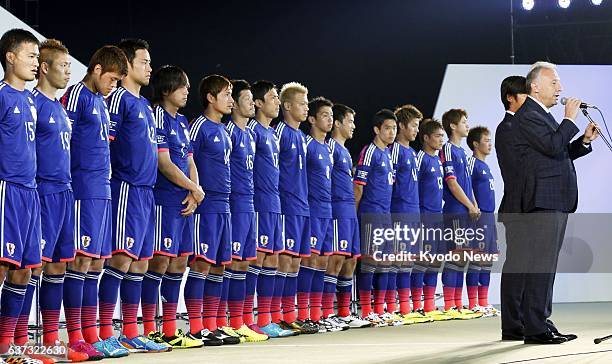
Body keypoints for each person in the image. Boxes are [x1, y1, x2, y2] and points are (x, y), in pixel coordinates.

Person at [503, 62, 598, 344]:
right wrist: (570, 119)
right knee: (541, 264)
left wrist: (582, 141)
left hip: (554, 198)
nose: (561, 89)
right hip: (544, 200)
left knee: (546, 264)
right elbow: (554, 146)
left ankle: (540, 321)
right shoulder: (529, 115)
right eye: (554, 83)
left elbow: (556, 153)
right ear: (535, 86)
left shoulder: (540, 115)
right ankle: (535, 327)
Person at [96, 39, 168, 353]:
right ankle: (103, 332)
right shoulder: (118, 99)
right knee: (120, 260)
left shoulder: (146, 106)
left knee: (140, 263)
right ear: (126, 64)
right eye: (144, 61)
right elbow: (104, 144)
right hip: (124, 187)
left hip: (146, 192)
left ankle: (129, 331)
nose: (150, 68)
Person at [61, 44, 129, 359]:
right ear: (97, 69)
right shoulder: (76, 95)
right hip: (82, 188)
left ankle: (93, 335)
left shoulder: (102, 103)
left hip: (103, 190)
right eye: (112, 79)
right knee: (80, 260)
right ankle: (74, 336)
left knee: (97, 263)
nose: (113, 86)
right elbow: (64, 138)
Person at [141, 65, 204, 349]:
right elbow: (163, 162)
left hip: (185, 201)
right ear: (166, 89)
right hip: (163, 200)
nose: (186, 92)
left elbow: (189, 160)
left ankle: (169, 329)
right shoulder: (158, 116)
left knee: (179, 261)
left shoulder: (182, 121)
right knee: (160, 261)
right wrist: (194, 189)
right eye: (182, 87)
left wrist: (195, 192)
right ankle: (148, 327)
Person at [187, 74, 240, 345]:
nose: (231, 100)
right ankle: (196, 327)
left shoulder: (224, 130)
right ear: (210, 97)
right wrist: (194, 192)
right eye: (226, 94)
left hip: (225, 204)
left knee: (220, 266)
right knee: (202, 264)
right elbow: (187, 159)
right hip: (206, 205)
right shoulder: (199, 127)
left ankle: (213, 324)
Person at [0, 28, 42, 355]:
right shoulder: (1, 94)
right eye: (30, 56)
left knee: (25, 269)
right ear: (10, 57)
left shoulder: (30, 100)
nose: (36, 62)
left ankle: (8, 346)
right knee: (2, 264)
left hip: (30, 192)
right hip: (6, 189)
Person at [220, 79, 269, 342]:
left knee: (245, 263)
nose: (252, 103)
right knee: (231, 261)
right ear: (235, 103)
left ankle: (242, 321)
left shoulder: (250, 134)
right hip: (234, 203)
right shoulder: (227, 131)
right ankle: (225, 320)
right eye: (247, 99)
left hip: (249, 204)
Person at [246, 80, 294, 338]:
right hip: (259, 203)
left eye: (277, 97)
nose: (276, 102)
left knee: (273, 259)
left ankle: (266, 318)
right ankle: (248, 319)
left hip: (275, 204)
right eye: (273, 98)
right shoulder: (252, 130)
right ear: (258, 103)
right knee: (257, 258)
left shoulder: (272, 133)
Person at [274, 82, 318, 335]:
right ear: (287, 106)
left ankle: (290, 316)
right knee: (283, 261)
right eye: (302, 104)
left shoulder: (303, 138)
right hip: (287, 206)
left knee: (295, 263)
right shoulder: (280, 133)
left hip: (303, 207)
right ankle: (276, 315)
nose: (306, 108)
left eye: (307, 103)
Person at [323, 104, 371, 329]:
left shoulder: (343, 150)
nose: (353, 126)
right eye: (350, 121)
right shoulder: (330, 147)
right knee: (335, 260)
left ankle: (344, 313)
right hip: (337, 211)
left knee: (351, 260)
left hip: (350, 211)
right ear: (338, 124)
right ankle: (325, 313)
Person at [354, 109, 397, 327]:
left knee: (386, 262)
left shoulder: (389, 154)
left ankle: (379, 310)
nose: (391, 132)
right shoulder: (369, 152)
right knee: (370, 262)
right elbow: (358, 187)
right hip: (370, 214)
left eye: (394, 128)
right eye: (387, 128)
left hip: (386, 215)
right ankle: (366, 310)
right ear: (376, 129)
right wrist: (355, 215)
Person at [389, 105, 431, 325]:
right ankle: (393, 307)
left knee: (409, 261)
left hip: (414, 213)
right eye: (413, 125)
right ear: (401, 126)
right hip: (399, 212)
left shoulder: (413, 153)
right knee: (397, 260)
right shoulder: (395, 150)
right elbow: (390, 184)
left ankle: (406, 308)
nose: (416, 130)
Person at [439, 109, 481, 320]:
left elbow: (467, 183)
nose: (467, 125)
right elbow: (452, 182)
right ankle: (449, 305)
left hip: (467, 211)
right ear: (453, 126)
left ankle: (458, 303)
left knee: (464, 256)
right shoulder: (447, 150)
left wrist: (474, 204)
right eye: (464, 122)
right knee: (455, 256)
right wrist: (468, 205)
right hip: (455, 212)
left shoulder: (463, 153)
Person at [415, 120, 452, 322]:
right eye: (437, 136)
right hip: (424, 216)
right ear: (426, 137)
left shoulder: (438, 160)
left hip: (438, 216)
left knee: (436, 261)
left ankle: (429, 305)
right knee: (422, 261)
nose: (441, 140)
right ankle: (416, 305)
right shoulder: (420, 158)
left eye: (442, 136)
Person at [466, 126, 499, 317]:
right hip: (478, 218)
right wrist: (474, 205)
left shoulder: (485, 166)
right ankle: (472, 304)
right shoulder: (472, 164)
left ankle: (484, 302)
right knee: (476, 259)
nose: (490, 144)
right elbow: (466, 185)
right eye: (486, 140)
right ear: (475, 144)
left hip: (489, 217)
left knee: (487, 261)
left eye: (490, 140)